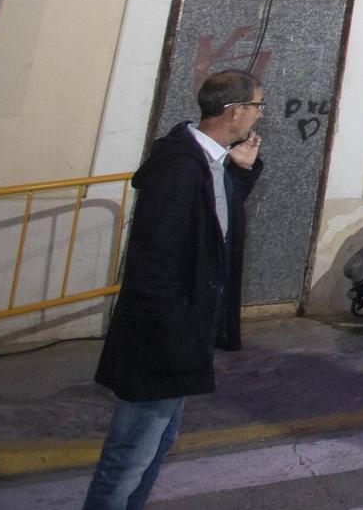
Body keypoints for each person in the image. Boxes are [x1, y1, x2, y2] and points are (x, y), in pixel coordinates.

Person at [85, 70, 264, 510]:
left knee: (158, 442)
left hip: (182, 331)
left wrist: (240, 173)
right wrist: (173, 335)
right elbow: (155, 261)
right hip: (163, 336)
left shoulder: (211, 162)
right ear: (234, 111)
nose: (259, 116)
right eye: (257, 107)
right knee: (132, 451)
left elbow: (216, 226)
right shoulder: (181, 167)